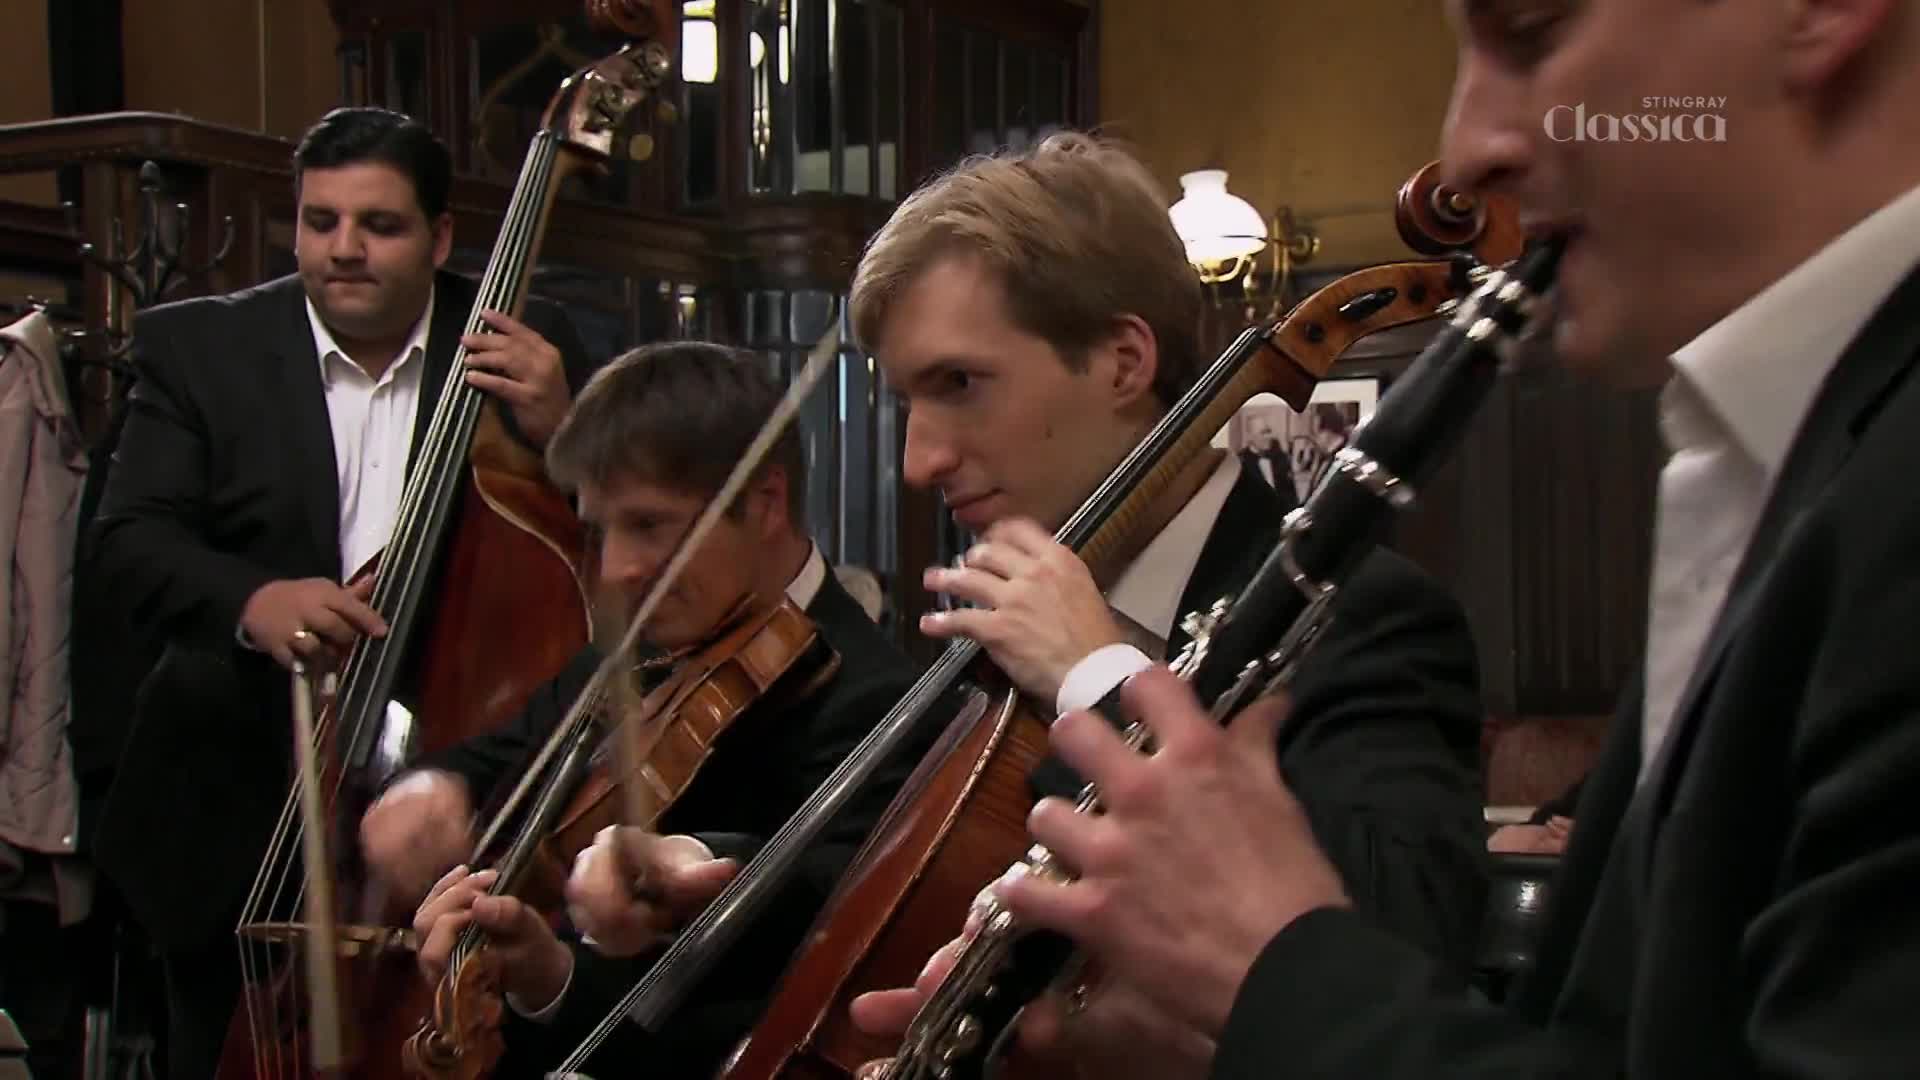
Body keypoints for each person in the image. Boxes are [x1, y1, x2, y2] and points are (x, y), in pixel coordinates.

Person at [861, 0, 1920, 1075]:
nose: (1461, 154)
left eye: (1531, 28)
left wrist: (1260, 960)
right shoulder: (1773, 474)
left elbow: (1405, 954)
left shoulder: (1366, 613)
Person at [812, 130, 1491, 1078]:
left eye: (959, 383)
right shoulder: (1011, 618)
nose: (919, 460)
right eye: (906, 402)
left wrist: (1101, 680)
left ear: (1124, 362)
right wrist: (701, 871)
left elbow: (1404, 948)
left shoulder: (1365, 612)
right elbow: (870, 859)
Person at [83, 106, 595, 1078]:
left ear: (440, 237)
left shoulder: (529, 341)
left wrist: (568, 430)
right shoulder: (201, 348)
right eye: (320, 222)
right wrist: (255, 603)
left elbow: (618, 535)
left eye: (380, 225)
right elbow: (127, 543)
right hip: (232, 800)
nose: (344, 248)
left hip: (441, 803)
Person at [361, 342, 936, 1076]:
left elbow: (785, 997)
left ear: (765, 504)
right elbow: (500, 754)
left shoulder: (883, 703)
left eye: (649, 525)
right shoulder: (631, 651)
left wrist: (553, 980)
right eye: (599, 530)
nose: (616, 569)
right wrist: (426, 791)